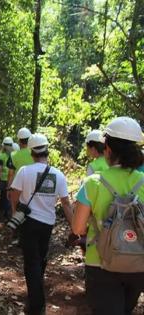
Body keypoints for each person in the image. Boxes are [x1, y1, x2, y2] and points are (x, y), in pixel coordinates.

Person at [72, 117, 144, 315]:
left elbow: (78, 228)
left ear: (108, 150)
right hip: (138, 262)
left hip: (100, 262)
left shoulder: (93, 183)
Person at [9, 133, 73, 315]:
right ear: (47, 151)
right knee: (40, 258)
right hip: (47, 224)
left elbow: (14, 193)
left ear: (31, 152)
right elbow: (66, 203)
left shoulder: (24, 171)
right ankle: (35, 296)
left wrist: (15, 212)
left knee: (32, 262)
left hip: (28, 222)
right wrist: (75, 226)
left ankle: (37, 305)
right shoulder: (58, 174)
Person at [0, 137, 14, 219]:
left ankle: (3, 209)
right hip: (12, 179)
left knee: (3, 194)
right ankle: (8, 212)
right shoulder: (15, 155)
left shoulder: (1, 156)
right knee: (9, 196)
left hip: (4, 178)